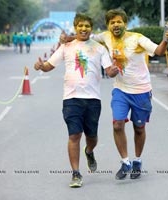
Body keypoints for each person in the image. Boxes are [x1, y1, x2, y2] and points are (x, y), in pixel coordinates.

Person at [60, 8, 168, 180]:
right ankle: (125, 161)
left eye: (119, 21)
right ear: (108, 25)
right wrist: (67, 39)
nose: (116, 25)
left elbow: (157, 51)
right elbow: (86, 37)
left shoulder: (137, 38)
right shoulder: (105, 37)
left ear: (125, 24)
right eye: (112, 22)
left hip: (141, 90)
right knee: (117, 125)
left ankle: (137, 161)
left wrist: (165, 40)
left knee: (139, 127)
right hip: (120, 89)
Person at [34, 13, 118, 188]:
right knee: (74, 135)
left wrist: (114, 71)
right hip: (71, 98)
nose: (83, 29)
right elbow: (49, 65)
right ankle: (76, 173)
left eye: (87, 26)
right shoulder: (66, 47)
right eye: (80, 26)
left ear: (91, 28)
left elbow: (109, 70)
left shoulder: (99, 48)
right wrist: (41, 66)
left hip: (93, 99)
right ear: (75, 27)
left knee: (92, 137)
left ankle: (89, 151)